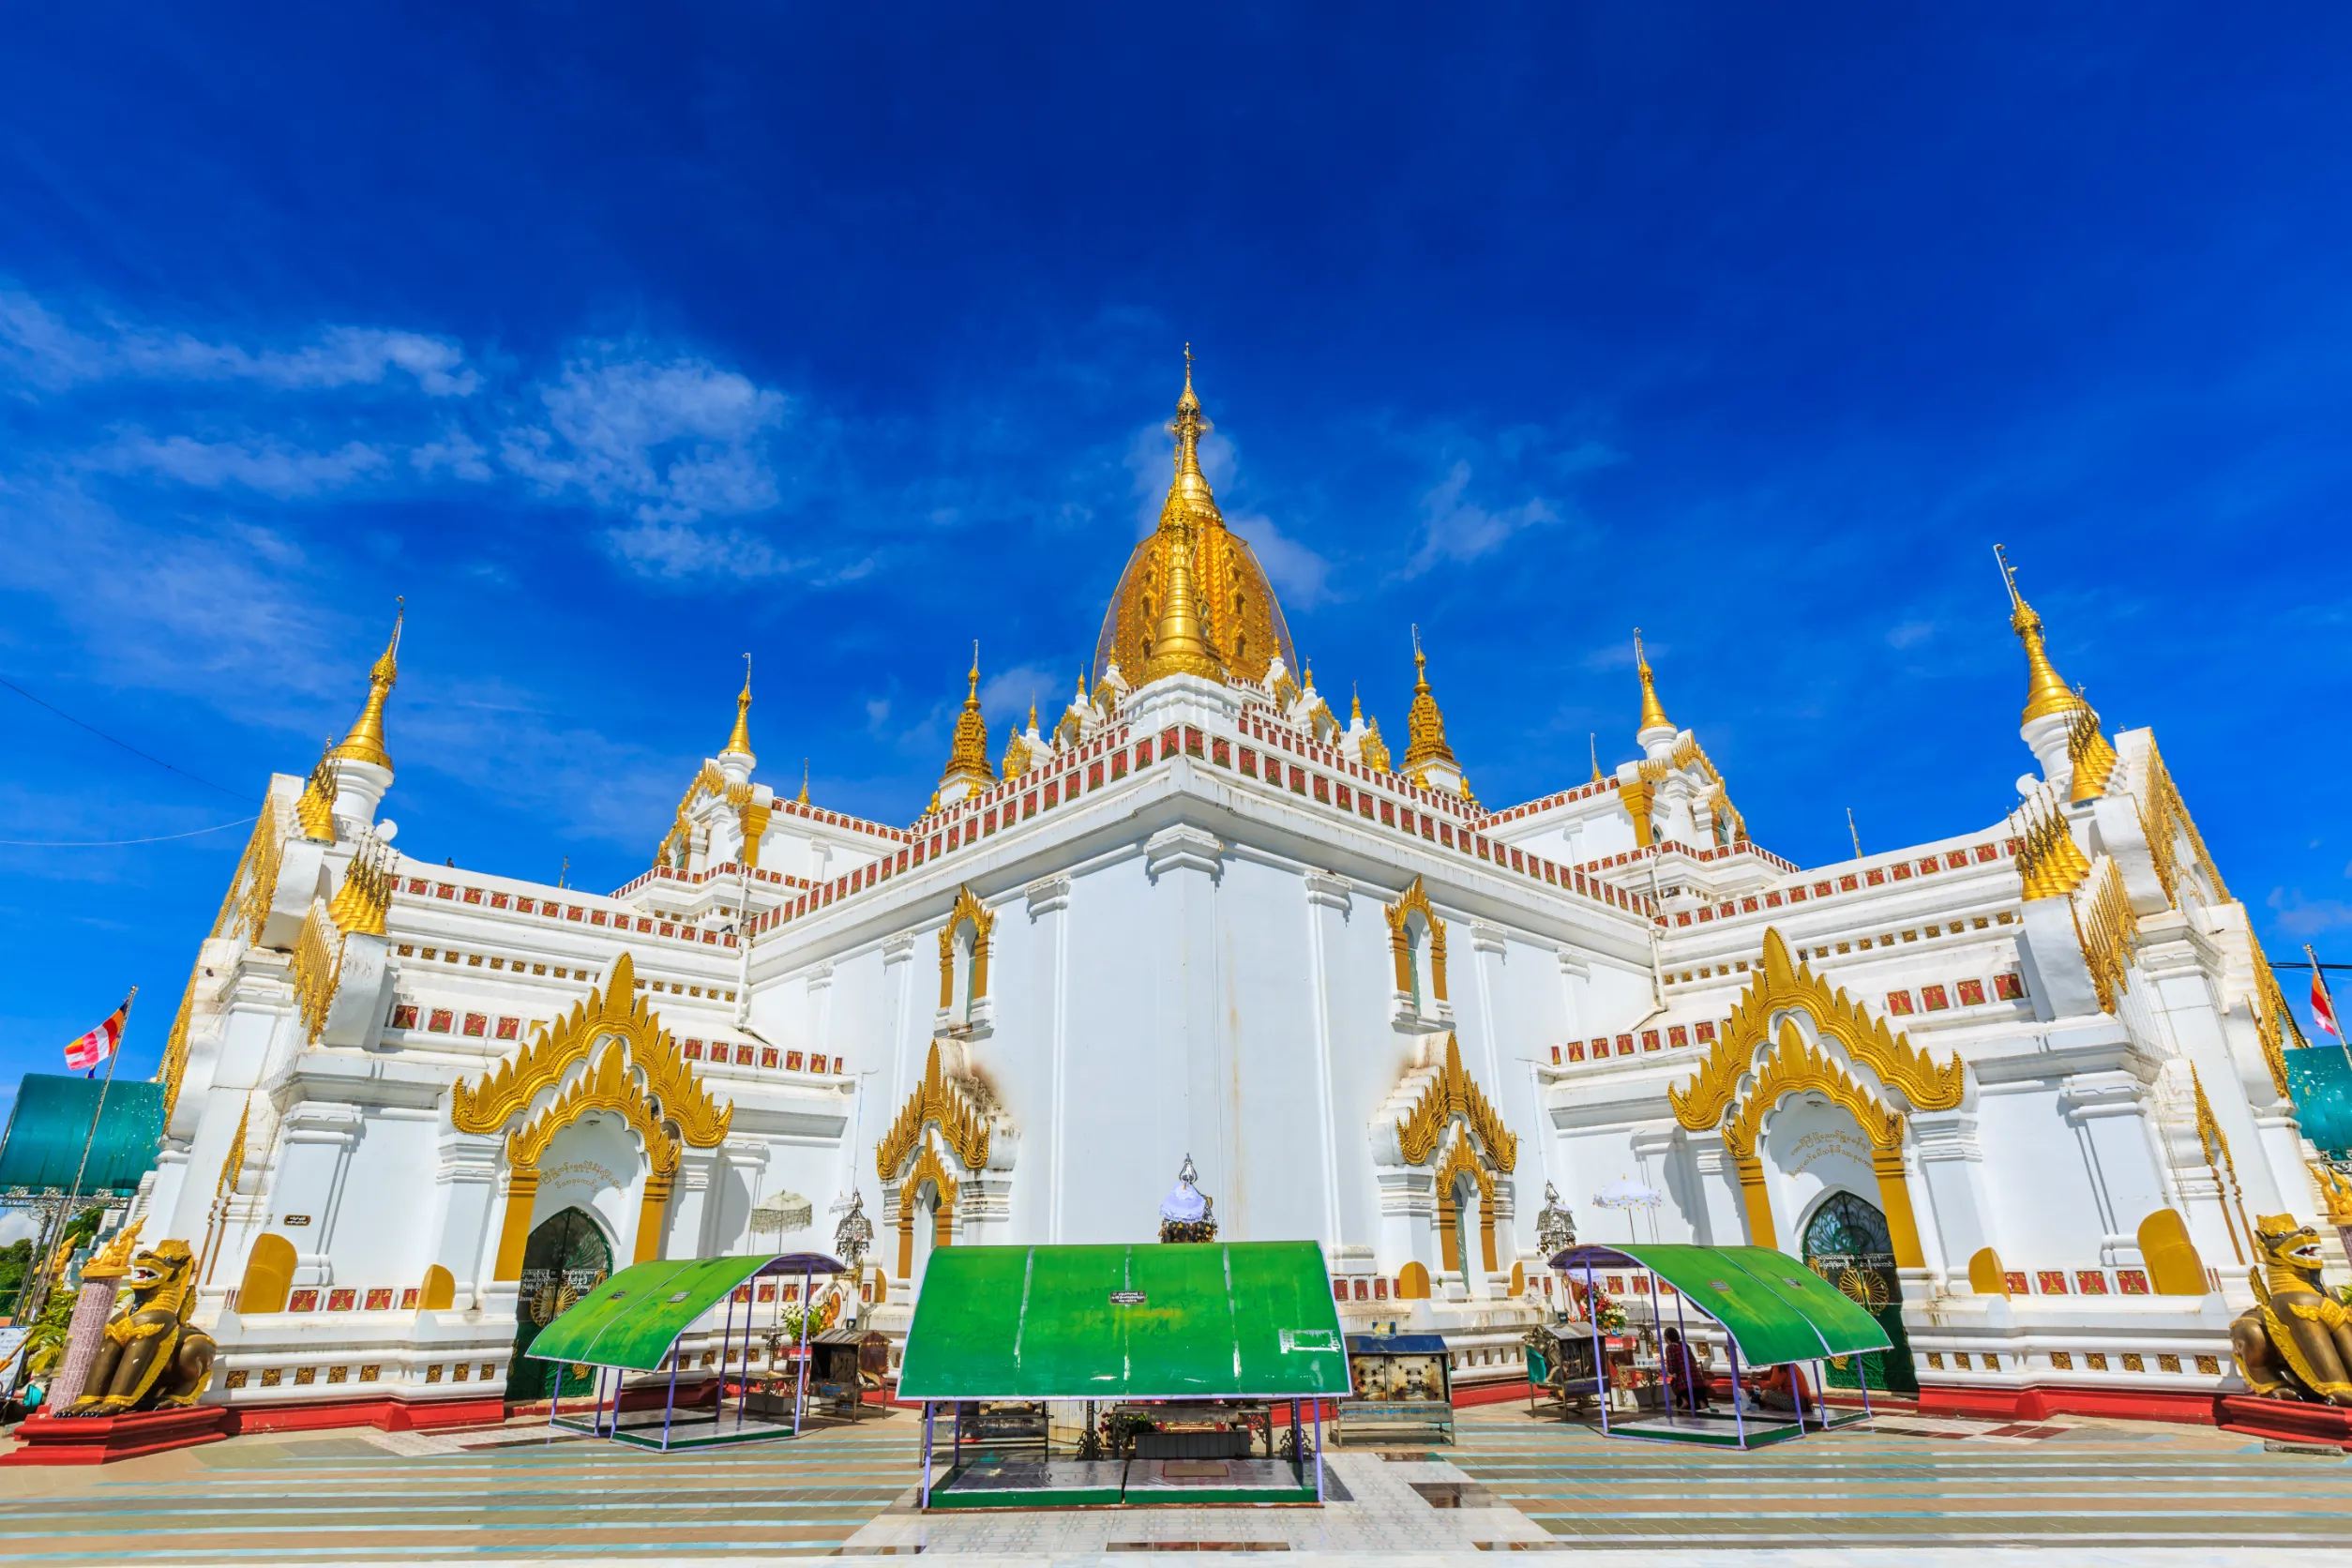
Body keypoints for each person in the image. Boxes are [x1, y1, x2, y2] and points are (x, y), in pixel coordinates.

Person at [1660, 1327, 1709, 1411]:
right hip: (1695, 1375)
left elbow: (1672, 1366)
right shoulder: (1684, 1345)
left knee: (1675, 1384)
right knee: (1698, 1393)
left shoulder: (1670, 1348)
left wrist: (1670, 1371)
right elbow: (1693, 1360)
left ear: (1666, 1337)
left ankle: (1686, 1402)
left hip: (1684, 1377)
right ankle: (1697, 1404)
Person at [1746, 1360, 1812, 1418]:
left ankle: (1773, 1407)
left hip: (1799, 1403)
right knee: (1768, 1392)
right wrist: (1758, 1374)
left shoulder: (1781, 1366)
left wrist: (1757, 1382)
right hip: (1801, 1401)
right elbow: (1772, 1374)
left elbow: (1772, 1386)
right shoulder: (1783, 1364)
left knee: (1765, 1394)